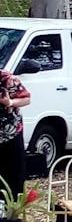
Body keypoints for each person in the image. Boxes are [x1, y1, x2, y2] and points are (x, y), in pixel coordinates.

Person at [0, 69, 32, 198]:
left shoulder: (6, 79)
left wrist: (10, 103)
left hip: (10, 134)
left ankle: (11, 214)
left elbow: (27, 99)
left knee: (13, 175)